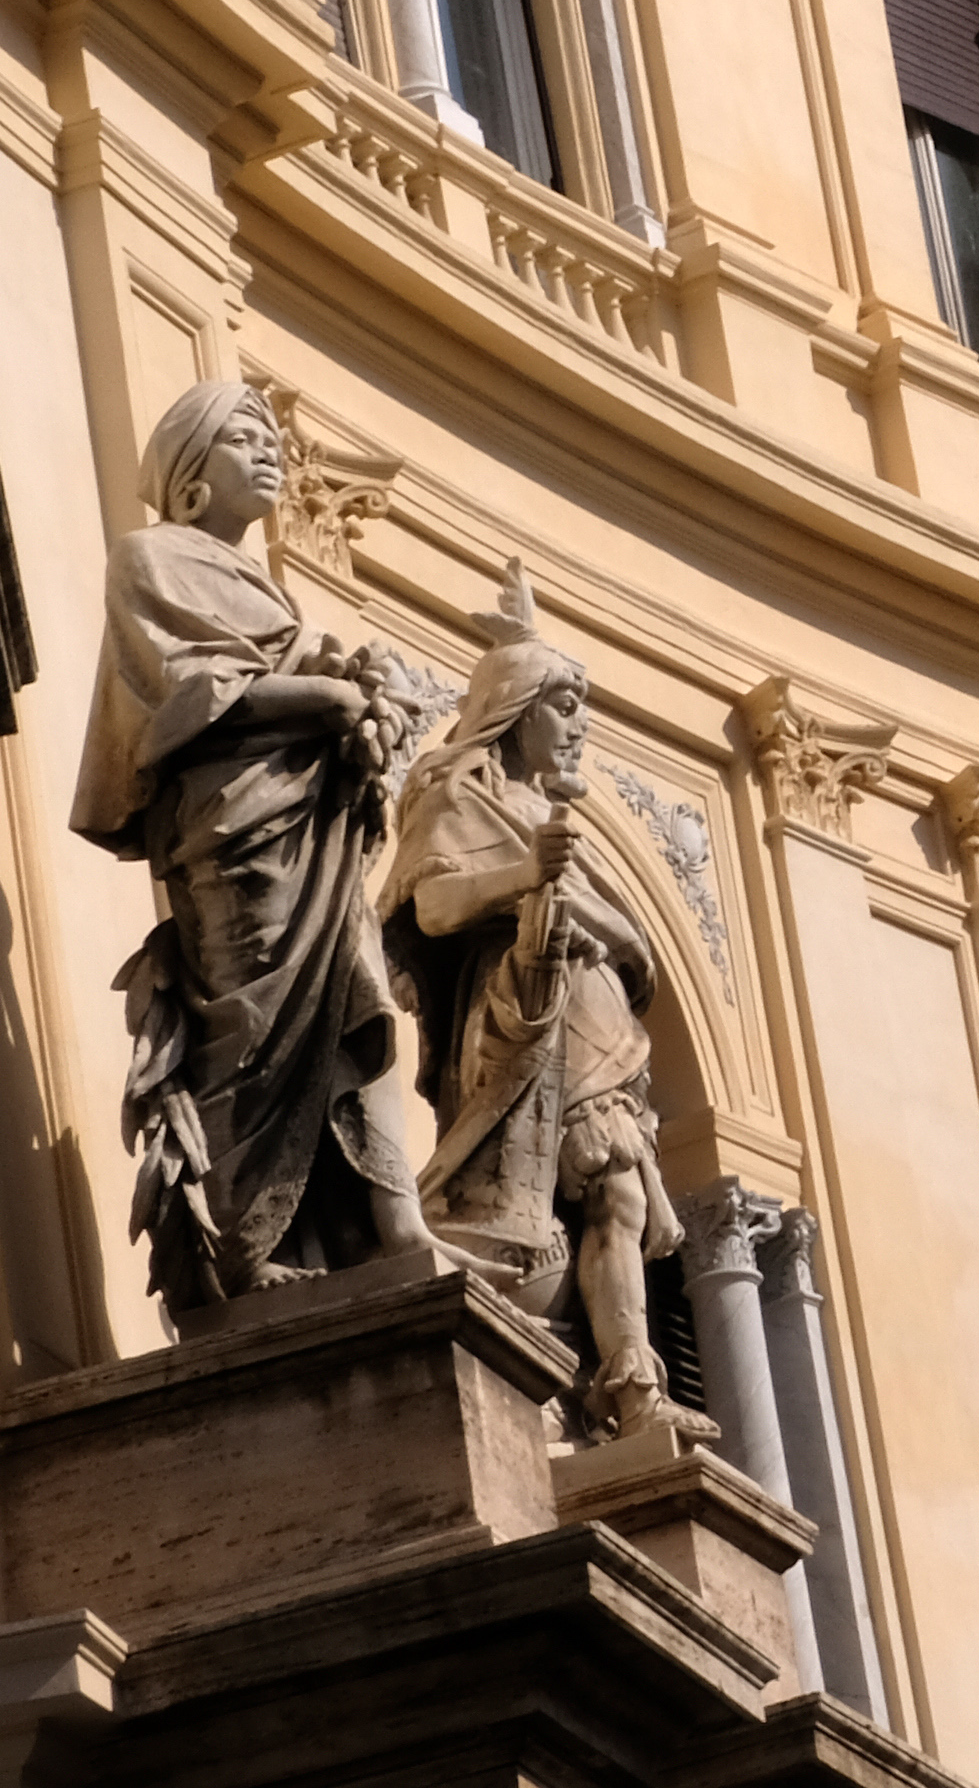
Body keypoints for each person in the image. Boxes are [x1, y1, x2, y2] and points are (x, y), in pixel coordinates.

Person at [72, 379, 440, 1315]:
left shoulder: (266, 593)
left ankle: (387, 1225)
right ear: (191, 476)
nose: (270, 450)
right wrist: (330, 699)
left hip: (309, 829)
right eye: (245, 436)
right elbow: (189, 696)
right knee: (251, 1025)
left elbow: (291, 688)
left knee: (350, 1001)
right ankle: (240, 1247)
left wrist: (358, 704)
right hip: (234, 833)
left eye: (273, 434)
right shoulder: (149, 559)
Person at [384, 564, 673, 1434]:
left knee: (611, 1196)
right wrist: (527, 876)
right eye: (565, 705)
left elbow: (615, 935)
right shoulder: (456, 793)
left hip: (588, 1021)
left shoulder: (536, 812)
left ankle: (624, 1387)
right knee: (569, 1200)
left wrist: (616, 934)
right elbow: (432, 905)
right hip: (519, 1013)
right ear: (515, 709)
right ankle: (594, 1381)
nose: (581, 728)